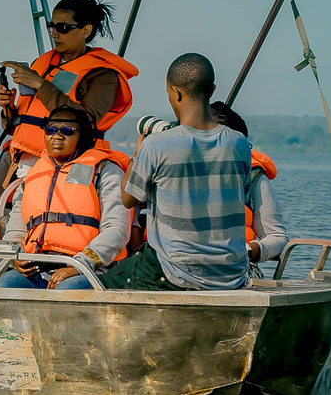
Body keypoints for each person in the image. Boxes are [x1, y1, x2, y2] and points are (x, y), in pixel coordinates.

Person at [99, 53, 252, 292]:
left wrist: (136, 156)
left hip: (174, 273)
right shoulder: (239, 143)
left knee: (82, 284)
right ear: (211, 90)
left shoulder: (156, 145)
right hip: (231, 274)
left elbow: (128, 199)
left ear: (175, 92)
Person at [0, 0, 139, 169]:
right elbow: (16, 125)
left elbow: (87, 121)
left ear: (85, 31)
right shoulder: (43, 64)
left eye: (63, 28)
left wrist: (41, 85)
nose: (55, 34)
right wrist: (8, 107)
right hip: (18, 153)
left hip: (63, 162)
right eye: (52, 27)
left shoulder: (103, 75)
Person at [0, 107, 131, 290]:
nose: (57, 136)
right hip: (36, 267)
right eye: (51, 130)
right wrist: (16, 257)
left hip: (88, 269)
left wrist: (81, 264)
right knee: (4, 286)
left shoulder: (104, 170)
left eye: (67, 131)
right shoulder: (33, 175)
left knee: (66, 293)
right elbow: (17, 225)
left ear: (82, 136)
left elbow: (117, 229)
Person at [210, 101, 289, 266]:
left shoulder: (252, 176)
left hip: (234, 270)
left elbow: (278, 238)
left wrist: (249, 250)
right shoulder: (173, 168)